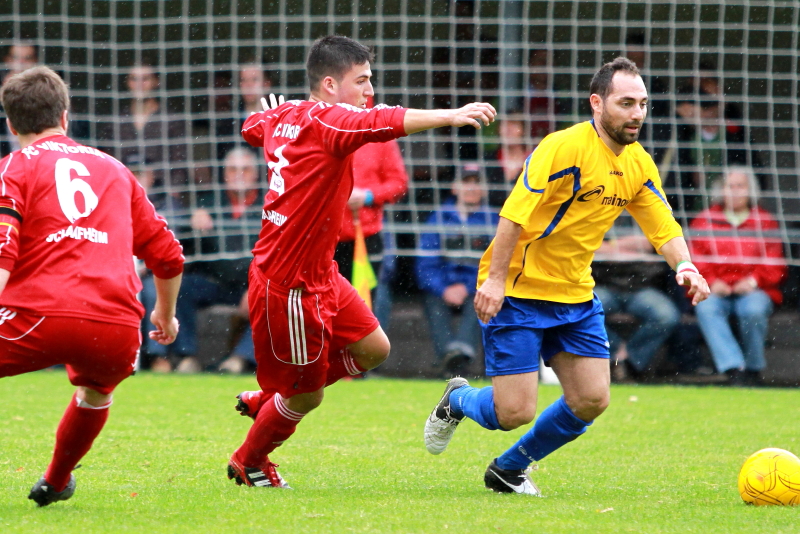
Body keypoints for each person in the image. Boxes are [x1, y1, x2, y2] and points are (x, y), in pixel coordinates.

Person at [423, 57, 710, 495]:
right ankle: (457, 399)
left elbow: (663, 226)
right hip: (518, 289)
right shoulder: (562, 148)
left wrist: (685, 265)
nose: (637, 113)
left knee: (592, 399)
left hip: (575, 294)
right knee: (513, 412)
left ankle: (509, 469)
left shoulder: (638, 163)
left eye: (642, 104)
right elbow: (513, 215)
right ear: (597, 103)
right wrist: (495, 280)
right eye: (626, 103)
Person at [226, 35, 496, 489]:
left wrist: (270, 115)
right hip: (291, 283)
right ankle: (249, 460)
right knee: (307, 397)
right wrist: (450, 115)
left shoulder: (289, 114)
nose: (369, 90)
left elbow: (251, 128)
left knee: (375, 349)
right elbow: (385, 120)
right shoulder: (328, 120)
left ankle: (273, 400)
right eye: (362, 80)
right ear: (330, 85)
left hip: (321, 271)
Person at [0, 66, 184, 506]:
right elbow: (169, 255)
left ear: (11, 125)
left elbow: (3, 249)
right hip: (116, 325)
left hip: (38, 315)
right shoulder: (115, 170)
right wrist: (165, 313)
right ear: (65, 116)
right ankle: (56, 480)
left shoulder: (12, 168)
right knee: (97, 390)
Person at [690, 166, 786, 386]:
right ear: (720, 190)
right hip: (716, 289)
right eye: (729, 186)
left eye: (740, 186)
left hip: (755, 289)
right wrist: (711, 282)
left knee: (752, 310)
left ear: (751, 190)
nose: (734, 191)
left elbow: (775, 261)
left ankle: (753, 368)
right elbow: (695, 258)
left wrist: (753, 281)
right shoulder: (704, 220)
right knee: (706, 308)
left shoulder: (765, 221)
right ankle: (734, 368)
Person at [415, 164, 498, 377]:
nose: (471, 188)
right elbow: (425, 265)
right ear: (454, 187)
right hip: (443, 287)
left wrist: (467, 287)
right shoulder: (438, 219)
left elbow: (497, 265)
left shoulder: (494, 220)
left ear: (485, 189)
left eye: (476, 182)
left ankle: (455, 359)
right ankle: (454, 359)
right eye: (466, 182)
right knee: (433, 300)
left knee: (480, 300)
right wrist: (444, 289)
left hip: (476, 287)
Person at [593, 233, 681, 380]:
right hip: (603, 284)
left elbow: (647, 244)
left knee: (667, 316)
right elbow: (590, 246)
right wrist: (632, 249)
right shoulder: (593, 219)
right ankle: (615, 351)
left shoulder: (644, 216)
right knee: (581, 312)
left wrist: (611, 247)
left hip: (641, 286)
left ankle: (629, 359)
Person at [0, 43, 39, 157]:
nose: (21, 63)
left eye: (27, 58)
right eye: (16, 58)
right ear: (7, 60)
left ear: (35, 61)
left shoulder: (46, 90)